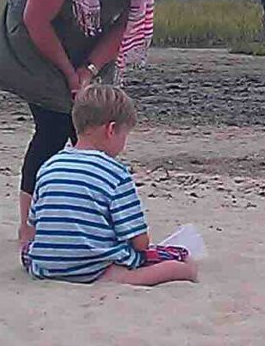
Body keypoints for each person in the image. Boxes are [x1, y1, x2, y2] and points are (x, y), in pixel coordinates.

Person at [0, 0, 171, 248]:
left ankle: (92, 217)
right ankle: (29, 227)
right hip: (35, 41)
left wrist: (88, 70)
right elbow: (36, 20)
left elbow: (123, 27)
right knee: (54, 126)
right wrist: (69, 75)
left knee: (97, 130)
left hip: (90, 43)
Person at [23, 83, 197, 287]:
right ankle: (122, 276)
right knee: (179, 260)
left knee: (28, 250)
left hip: (48, 265)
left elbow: (34, 224)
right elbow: (140, 242)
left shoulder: (48, 166)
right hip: (94, 266)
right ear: (111, 130)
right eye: (125, 135)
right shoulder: (114, 173)